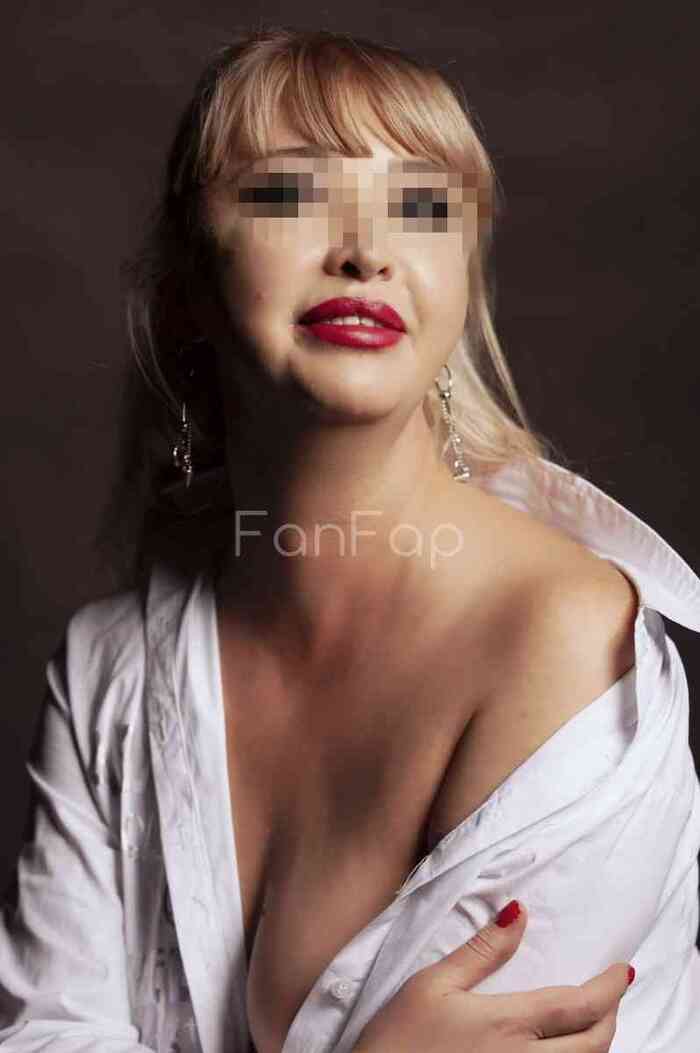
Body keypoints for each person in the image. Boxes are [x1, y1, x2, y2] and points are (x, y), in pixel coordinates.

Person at [0, 23, 698, 1053]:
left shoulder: (565, 642)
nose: (366, 252)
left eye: (421, 208)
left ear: (463, 285)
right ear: (187, 283)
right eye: (290, 193)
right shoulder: (111, 668)